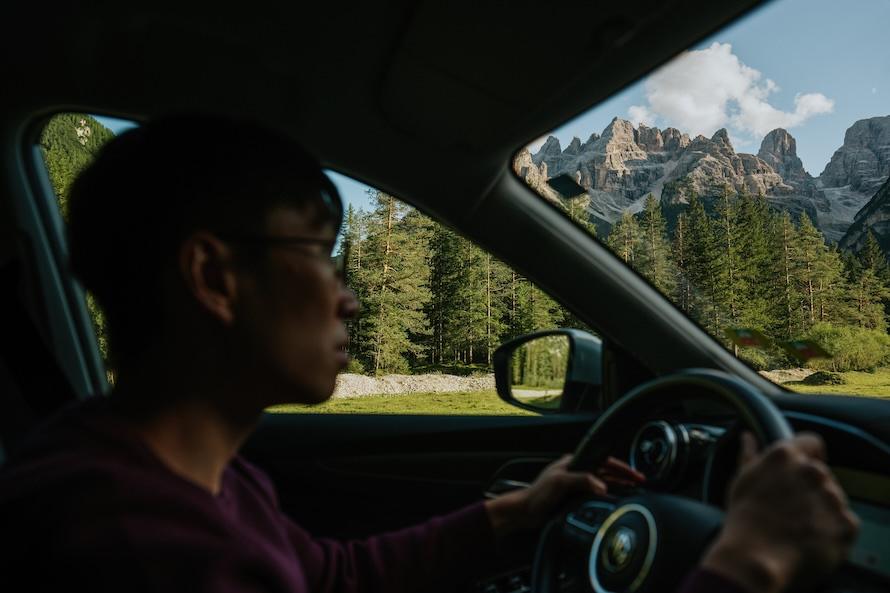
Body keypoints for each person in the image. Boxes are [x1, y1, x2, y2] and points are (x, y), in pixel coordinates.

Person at [0, 116, 857, 593]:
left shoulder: (187, 475)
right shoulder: (138, 545)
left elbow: (333, 576)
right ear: (213, 275)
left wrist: (513, 516)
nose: (351, 294)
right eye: (320, 255)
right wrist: (751, 562)